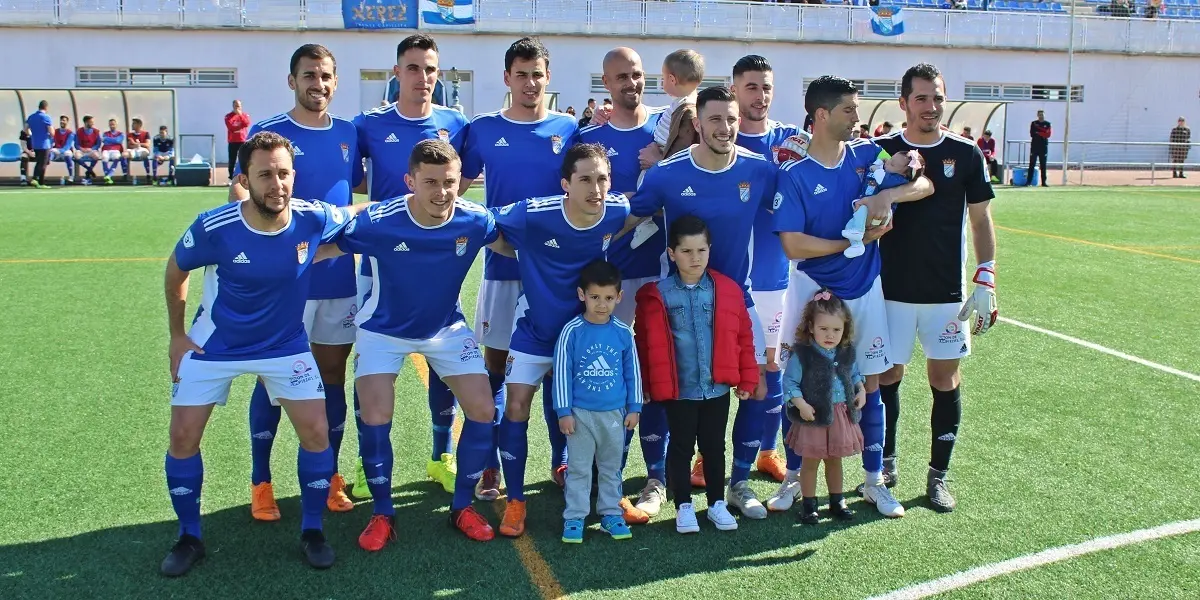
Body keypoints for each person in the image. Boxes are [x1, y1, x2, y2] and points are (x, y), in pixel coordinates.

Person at [159, 131, 365, 577]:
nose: (277, 184)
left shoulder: (311, 217)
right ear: (244, 179)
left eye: (284, 173)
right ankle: (189, 536)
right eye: (265, 175)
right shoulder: (215, 227)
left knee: (316, 433)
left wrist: (413, 202)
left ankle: (312, 530)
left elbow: (355, 213)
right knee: (182, 437)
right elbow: (176, 269)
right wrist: (177, 335)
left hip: (284, 345)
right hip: (215, 345)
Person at [320, 139, 511, 548]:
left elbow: (512, 247)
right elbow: (321, 250)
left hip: (445, 328)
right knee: (375, 414)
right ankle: (383, 512)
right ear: (410, 182)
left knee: (482, 409)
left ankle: (462, 506)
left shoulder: (475, 220)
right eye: (431, 182)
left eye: (450, 182)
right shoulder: (379, 221)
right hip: (383, 330)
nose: (442, 192)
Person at [773, 75, 933, 519]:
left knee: (871, 385)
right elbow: (792, 245)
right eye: (849, 110)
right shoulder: (795, 175)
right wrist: (849, 243)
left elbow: (924, 183)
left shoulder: (867, 154)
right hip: (811, 291)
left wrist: (887, 195)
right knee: (800, 383)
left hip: (864, 290)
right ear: (822, 115)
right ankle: (794, 477)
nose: (857, 117)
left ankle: (873, 481)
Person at [229, 43, 364, 521]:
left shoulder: (348, 132)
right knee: (272, 380)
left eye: (326, 76)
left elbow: (355, 189)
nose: (318, 84)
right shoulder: (269, 132)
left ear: (335, 81)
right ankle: (261, 481)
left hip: (337, 276)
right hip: (286, 282)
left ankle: (330, 475)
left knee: (332, 376)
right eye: (309, 75)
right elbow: (239, 188)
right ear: (292, 81)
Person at [629, 85, 777, 520]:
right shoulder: (666, 174)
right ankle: (657, 480)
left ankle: (739, 482)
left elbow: (797, 205)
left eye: (731, 119)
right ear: (697, 123)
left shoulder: (760, 170)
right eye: (715, 119)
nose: (724, 128)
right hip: (677, 304)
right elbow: (629, 218)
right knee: (661, 388)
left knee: (755, 386)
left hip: (736, 303)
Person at [353, 33, 474, 500]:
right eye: (413, 68)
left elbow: (461, 181)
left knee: (444, 359)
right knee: (371, 365)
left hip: (438, 263)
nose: (422, 77)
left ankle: (441, 455)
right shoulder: (369, 124)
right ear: (396, 73)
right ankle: (366, 462)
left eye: (430, 69)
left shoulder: (455, 123)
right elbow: (351, 186)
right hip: (381, 266)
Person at [489, 143, 632, 538]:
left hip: (585, 338)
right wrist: (521, 249)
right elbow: (488, 226)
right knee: (516, 406)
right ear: (566, 184)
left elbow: (638, 212)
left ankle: (600, 487)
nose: (595, 189)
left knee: (603, 407)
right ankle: (515, 499)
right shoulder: (533, 213)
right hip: (535, 332)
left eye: (602, 179)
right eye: (585, 179)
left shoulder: (617, 210)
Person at [873, 63, 997, 513]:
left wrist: (986, 275)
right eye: (921, 98)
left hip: (946, 294)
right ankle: (884, 465)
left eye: (938, 98)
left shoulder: (966, 153)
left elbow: (981, 219)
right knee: (888, 377)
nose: (931, 106)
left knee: (944, 379)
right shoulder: (882, 150)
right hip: (889, 290)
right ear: (903, 102)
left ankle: (938, 475)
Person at [460, 36, 579, 494]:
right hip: (502, 266)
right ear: (507, 78)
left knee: (555, 364)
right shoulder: (483, 128)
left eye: (537, 75)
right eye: (522, 75)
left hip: (553, 272)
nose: (530, 83)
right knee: (496, 363)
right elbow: (454, 186)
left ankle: (561, 459)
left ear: (548, 78)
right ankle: (490, 462)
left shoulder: (568, 128)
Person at [577, 46, 669, 523]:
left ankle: (656, 475)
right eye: (620, 77)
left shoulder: (668, 130)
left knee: (657, 375)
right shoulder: (589, 138)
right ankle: (603, 471)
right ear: (606, 83)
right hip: (611, 281)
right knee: (609, 377)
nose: (630, 83)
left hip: (664, 272)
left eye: (636, 74)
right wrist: (634, 200)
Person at [633, 215, 758, 534]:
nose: (695, 258)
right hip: (679, 391)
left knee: (714, 447)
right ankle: (684, 506)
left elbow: (743, 336)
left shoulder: (726, 290)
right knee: (680, 447)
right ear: (672, 253)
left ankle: (716, 504)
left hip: (716, 389)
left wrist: (747, 378)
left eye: (701, 250)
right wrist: (645, 384)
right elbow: (644, 344)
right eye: (686, 251)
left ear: (709, 250)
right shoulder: (657, 294)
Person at [731, 54, 801, 494]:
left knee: (773, 368)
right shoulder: (718, 134)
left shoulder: (791, 139)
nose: (760, 96)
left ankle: (767, 450)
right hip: (727, 278)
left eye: (767, 87)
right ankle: (706, 456)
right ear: (735, 89)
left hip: (776, 278)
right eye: (752, 87)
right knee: (722, 371)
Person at [554, 259, 642, 543]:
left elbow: (633, 373)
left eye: (608, 298)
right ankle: (574, 517)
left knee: (611, 468)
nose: (602, 305)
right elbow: (562, 373)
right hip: (580, 415)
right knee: (579, 469)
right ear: (582, 295)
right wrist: (564, 411)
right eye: (595, 297)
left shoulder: (623, 332)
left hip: (614, 415)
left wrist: (635, 407)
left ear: (619, 297)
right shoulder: (571, 331)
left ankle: (610, 514)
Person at [782, 290, 865, 525]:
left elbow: (854, 374)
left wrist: (861, 390)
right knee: (810, 462)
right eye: (824, 329)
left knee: (834, 460)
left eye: (836, 330)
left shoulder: (846, 352)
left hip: (840, 416)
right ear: (811, 327)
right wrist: (801, 404)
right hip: (813, 417)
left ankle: (837, 501)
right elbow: (789, 383)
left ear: (844, 329)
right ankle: (809, 505)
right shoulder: (803, 355)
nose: (830, 335)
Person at [653, 49, 703, 159]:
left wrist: (658, 160)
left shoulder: (684, 108)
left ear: (672, 79)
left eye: (663, 77)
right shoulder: (700, 104)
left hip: (663, 152)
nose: (662, 82)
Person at [24, 100, 52, 188]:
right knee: (43, 164)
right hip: (44, 144)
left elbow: (25, 130)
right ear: (46, 107)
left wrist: (32, 134)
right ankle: (36, 179)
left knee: (39, 162)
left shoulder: (31, 117)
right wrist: (50, 134)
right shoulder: (46, 117)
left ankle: (40, 183)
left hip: (35, 144)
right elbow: (52, 132)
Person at [225, 100, 251, 183]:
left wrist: (240, 115)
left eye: (238, 106)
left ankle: (245, 177)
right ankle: (231, 178)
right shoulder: (228, 116)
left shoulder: (245, 115)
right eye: (235, 106)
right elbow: (231, 127)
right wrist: (240, 126)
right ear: (233, 106)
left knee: (245, 159)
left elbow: (246, 123)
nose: (237, 108)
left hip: (242, 140)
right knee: (232, 160)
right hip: (232, 141)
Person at [100, 118, 129, 184]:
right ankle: (107, 176)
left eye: (113, 124)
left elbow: (118, 141)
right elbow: (105, 142)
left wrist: (107, 139)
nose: (112, 126)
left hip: (116, 150)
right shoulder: (105, 133)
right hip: (106, 150)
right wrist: (114, 140)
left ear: (116, 125)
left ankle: (109, 175)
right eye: (110, 125)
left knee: (117, 157)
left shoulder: (120, 134)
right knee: (104, 157)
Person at [74, 115, 101, 184]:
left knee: (97, 156)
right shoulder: (79, 131)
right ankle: (89, 169)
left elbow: (98, 144)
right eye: (91, 122)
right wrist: (82, 149)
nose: (93, 123)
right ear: (86, 122)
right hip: (82, 150)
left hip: (91, 150)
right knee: (76, 156)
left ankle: (88, 171)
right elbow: (76, 144)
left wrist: (91, 149)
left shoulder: (96, 131)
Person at [49, 115, 76, 183]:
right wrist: (49, 149)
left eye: (64, 120)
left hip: (66, 151)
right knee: (49, 153)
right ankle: (40, 176)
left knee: (67, 154)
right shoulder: (55, 131)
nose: (62, 121)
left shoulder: (70, 133)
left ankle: (71, 176)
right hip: (56, 150)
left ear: (67, 122)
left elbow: (67, 146)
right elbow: (51, 142)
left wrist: (60, 151)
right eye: (61, 120)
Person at [1027, 109, 1050, 187]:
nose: (1041, 116)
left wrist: (1038, 132)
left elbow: (1047, 135)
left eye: (1042, 115)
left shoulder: (1047, 124)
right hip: (1034, 146)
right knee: (1032, 164)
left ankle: (1044, 182)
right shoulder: (1034, 123)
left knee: (1043, 165)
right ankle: (1028, 182)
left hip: (1043, 146)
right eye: (1039, 115)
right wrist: (1041, 133)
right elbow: (1032, 134)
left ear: (1044, 115)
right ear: (1037, 115)